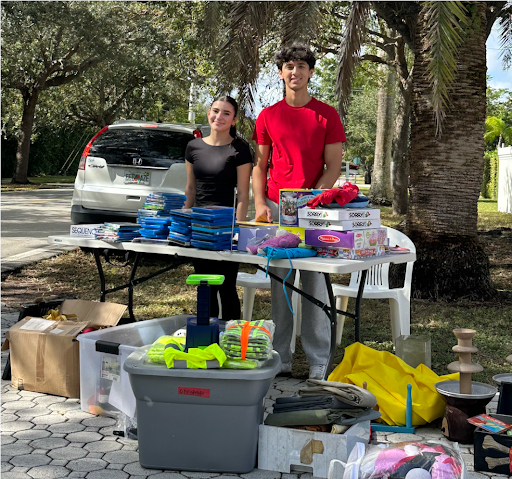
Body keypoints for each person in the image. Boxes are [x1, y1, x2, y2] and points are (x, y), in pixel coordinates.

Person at [252, 43, 346, 379]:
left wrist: (312, 199)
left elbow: (333, 166)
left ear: (310, 72)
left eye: (302, 66)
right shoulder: (268, 116)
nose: (295, 72)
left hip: (313, 209)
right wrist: (261, 202)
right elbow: (260, 165)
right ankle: (282, 358)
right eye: (289, 66)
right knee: (281, 285)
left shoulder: (327, 115)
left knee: (315, 284)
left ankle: (318, 361)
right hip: (278, 209)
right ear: (281, 72)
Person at [185, 95, 253, 321]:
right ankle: (206, 339)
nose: (219, 117)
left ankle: (231, 338)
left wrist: (238, 229)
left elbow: (243, 193)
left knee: (226, 286)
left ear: (234, 120)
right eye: (215, 111)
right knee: (205, 286)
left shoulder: (240, 149)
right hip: (200, 228)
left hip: (226, 229)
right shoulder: (193, 146)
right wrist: (185, 222)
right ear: (208, 113)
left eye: (226, 113)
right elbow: (190, 190)